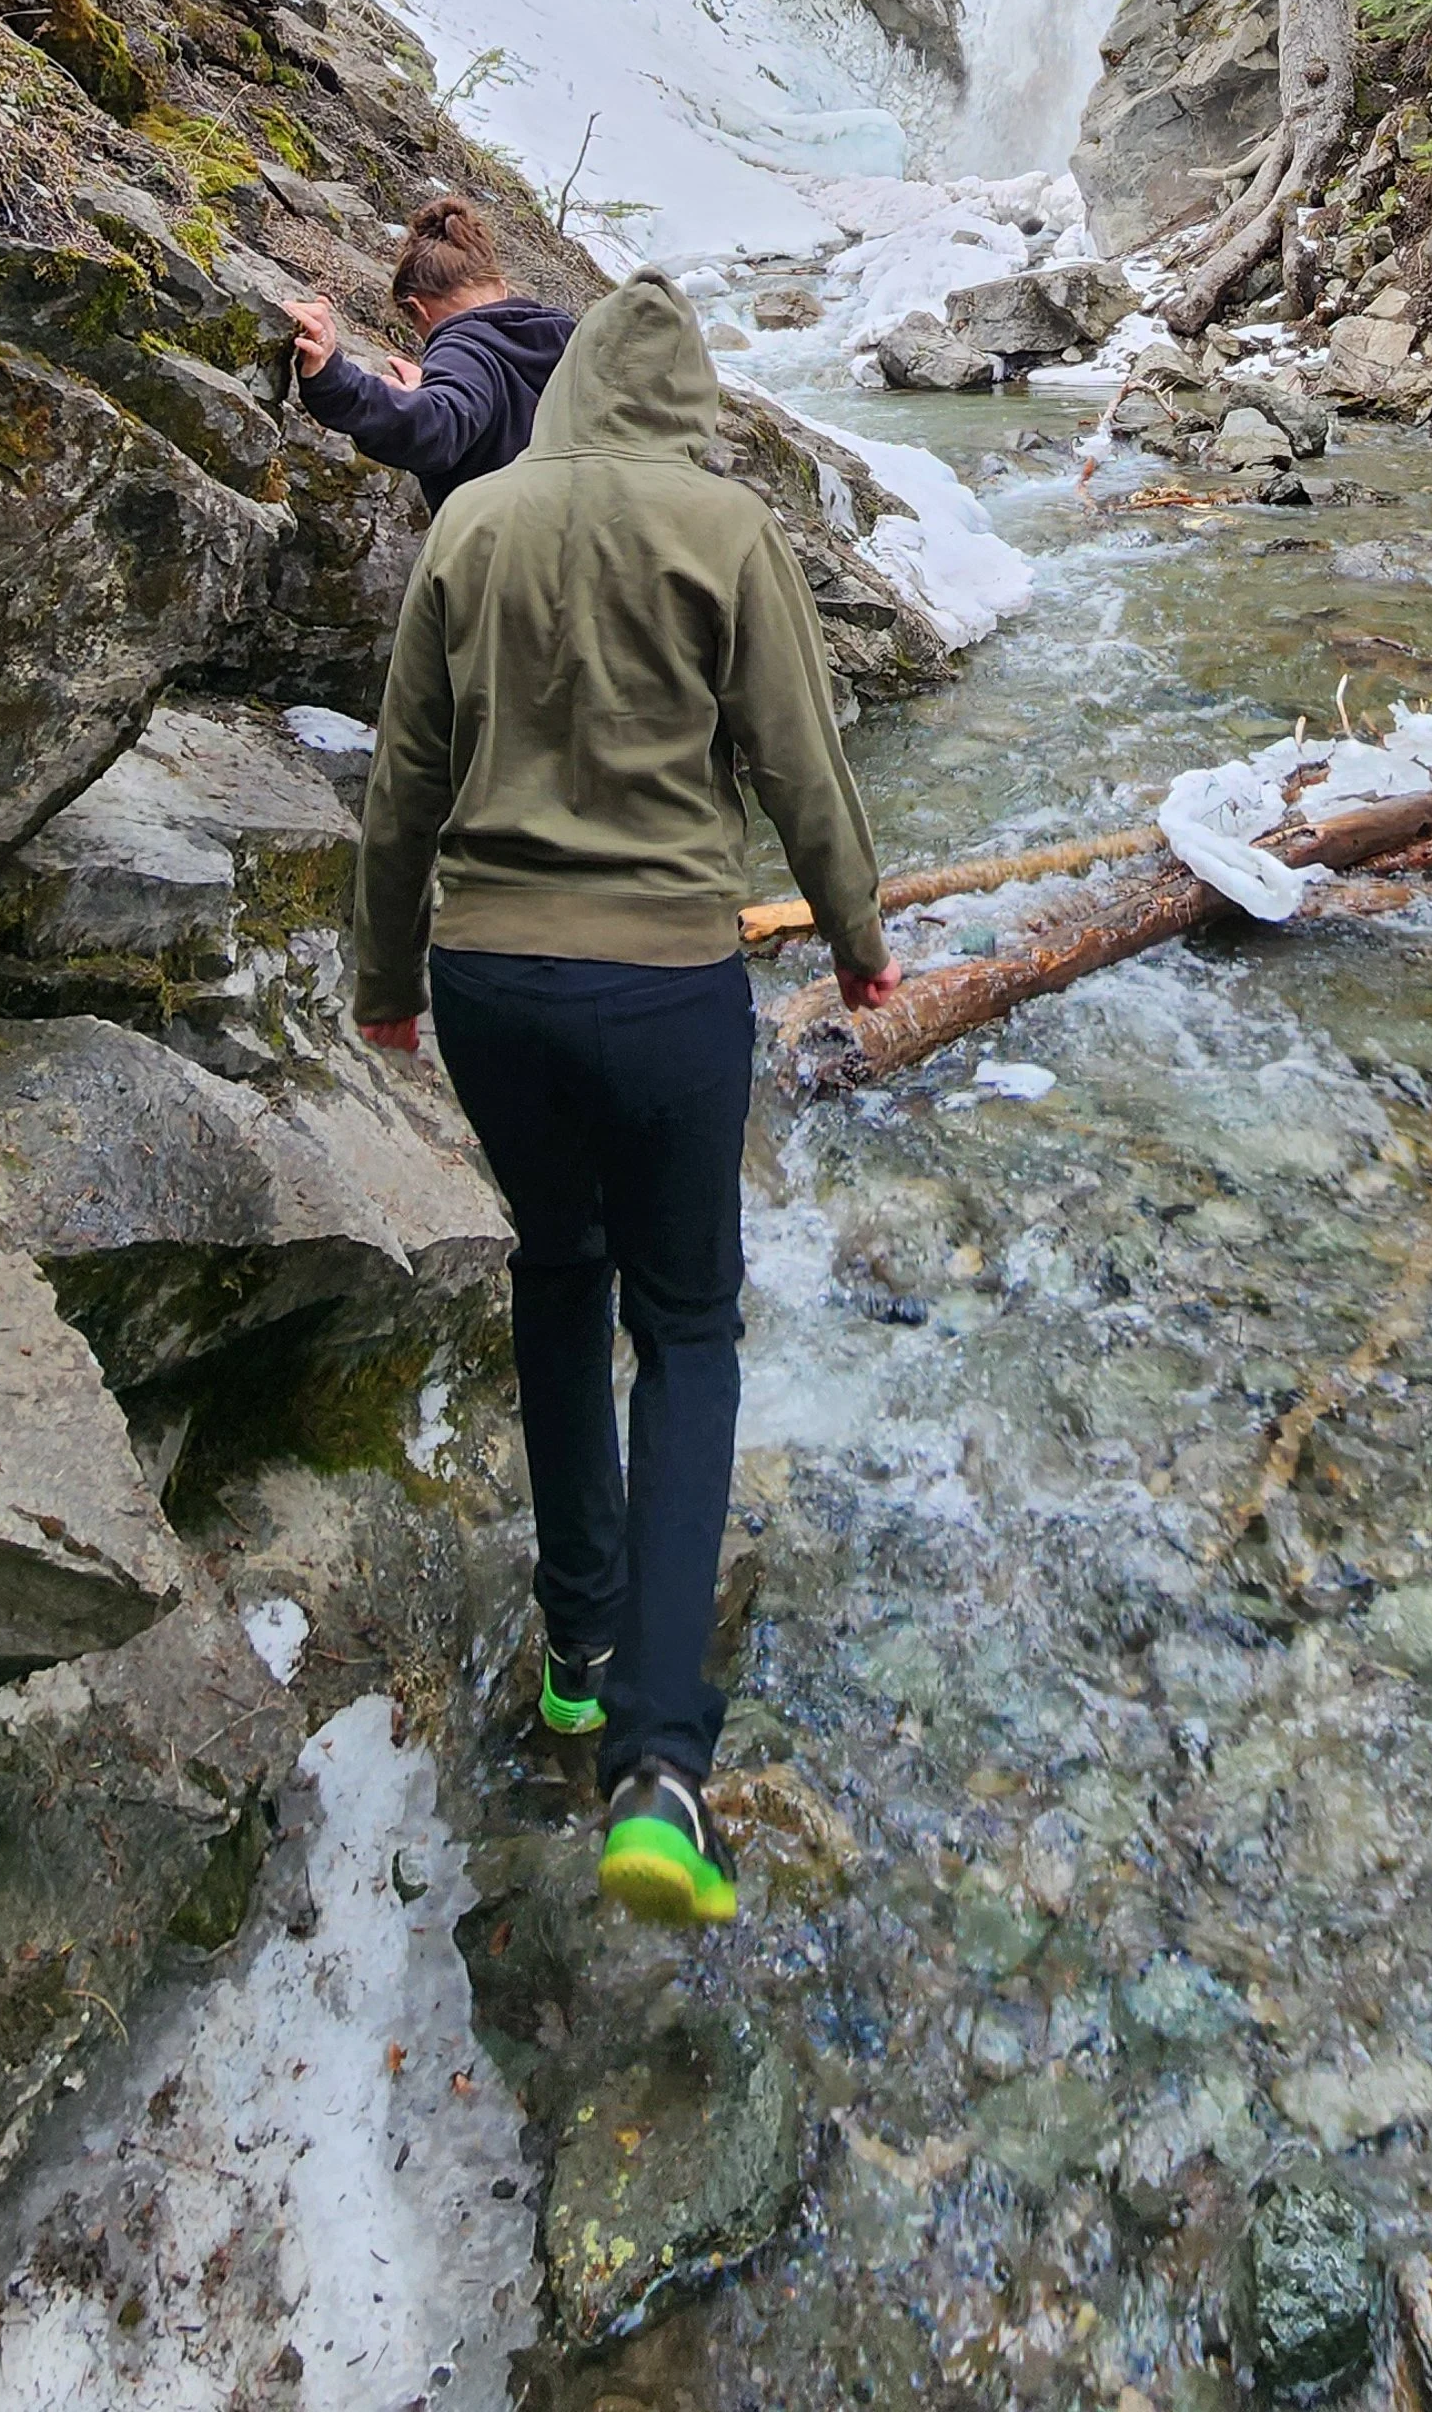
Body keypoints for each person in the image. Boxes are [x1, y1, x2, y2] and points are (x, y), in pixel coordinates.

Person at [353, 266, 899, 1930]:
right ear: (686, 405)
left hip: (496, 983)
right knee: (691, 1332)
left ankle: (577, 1646)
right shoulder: (724, 531)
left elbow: (403, 781)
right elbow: (801, 764)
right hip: (666, 982)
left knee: (555, 1270)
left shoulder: (477, 526)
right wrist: (862, 942)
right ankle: (661, 1765)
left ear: (574, 388)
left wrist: (383, 978)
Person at [288, 192, 575, 511]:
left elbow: (439, 429)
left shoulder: (462, 348)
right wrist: (429, 391)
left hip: (495, 551)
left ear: (418, 309)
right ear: (501, 286)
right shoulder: (569, 343)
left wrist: (335, 379)